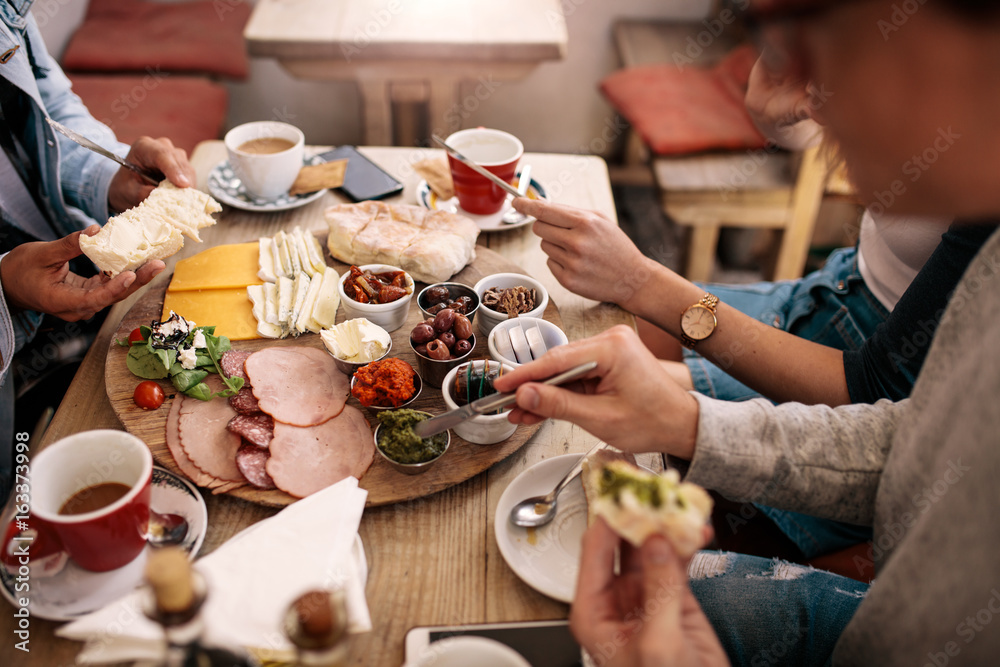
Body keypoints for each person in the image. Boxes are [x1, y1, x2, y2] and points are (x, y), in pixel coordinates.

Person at [494, 0, 1000, 663]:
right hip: (833, 293)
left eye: (822, 44)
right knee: (639, 349)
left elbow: (889, 406)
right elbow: (917, 440)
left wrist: (647, 287)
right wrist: (689, 419)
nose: (817, 105)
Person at [0, 0, 196, 502]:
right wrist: (7, 289)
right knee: (14, 510)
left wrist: (108, 178)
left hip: (55, 256)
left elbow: (48, 105)